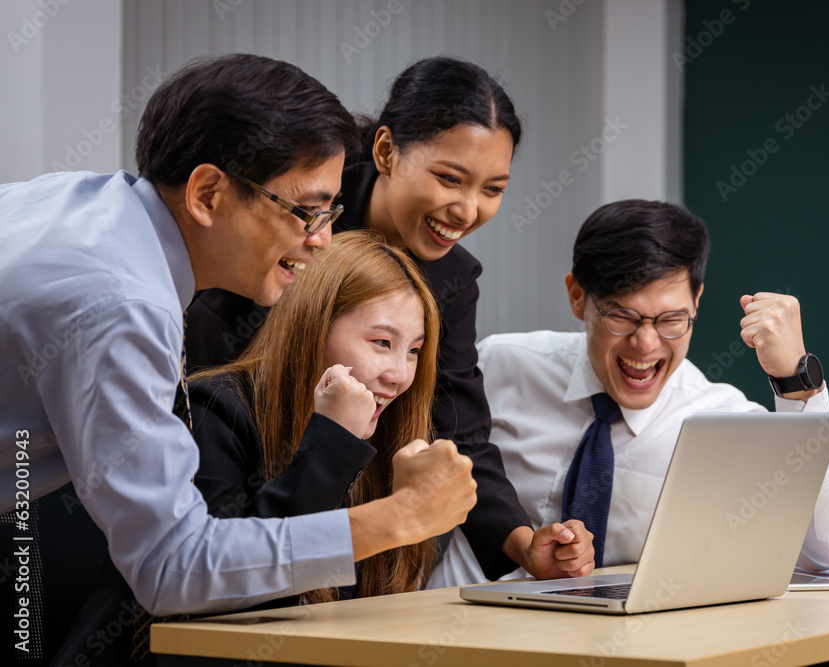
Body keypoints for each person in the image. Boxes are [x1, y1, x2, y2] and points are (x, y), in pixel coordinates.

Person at [0, 53, 477, 626]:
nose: (322, 241)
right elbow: (172, 569)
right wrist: (401, 517)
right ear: (207, 194)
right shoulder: (123, 306)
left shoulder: (75, 202)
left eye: (332, 214)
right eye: (307, 212)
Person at [186, 56, 595, 582]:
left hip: (346, 514)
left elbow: (462, 431)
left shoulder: (451, 281)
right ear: (384, 151)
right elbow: (211, 371)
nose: (467, 210)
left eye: (492, 190)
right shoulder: (297, 218)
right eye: (450, 178)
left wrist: (525, 546)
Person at [427, 199, 829, 587]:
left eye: (672, 319)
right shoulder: (500, 366)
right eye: (623, 316)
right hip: (451, 624)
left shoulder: (722, 420)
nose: (646, 344)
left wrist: (797, 383)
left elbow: (828, 551)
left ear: (697, 302)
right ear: (578, 297)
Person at [191, 231, 443, 602]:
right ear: (315, 326)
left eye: (413, 350)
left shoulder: (390, 435)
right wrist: (333, 441)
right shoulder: (215, 407)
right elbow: (239, 586)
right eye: (382, 343)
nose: (400, 375)